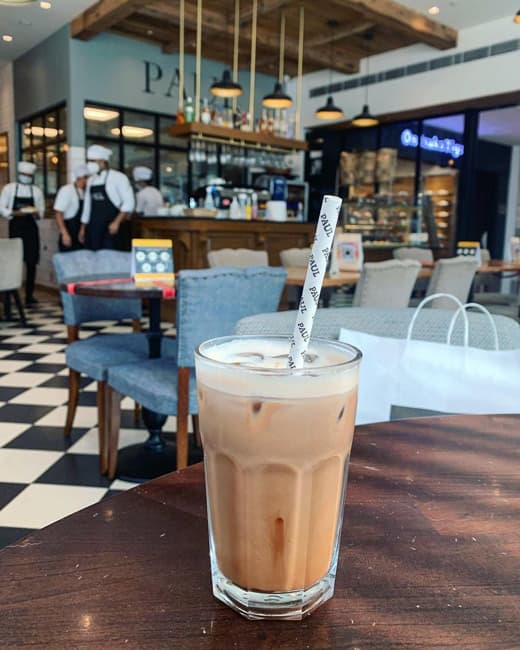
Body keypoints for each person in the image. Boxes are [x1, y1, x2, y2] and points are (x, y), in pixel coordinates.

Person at [0, 161, 45, 306]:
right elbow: (1, 208)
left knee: (31, 262)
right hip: (16, 228)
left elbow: (41, 212)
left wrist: (36, 213)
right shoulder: (9, 189)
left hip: (31, 230)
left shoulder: (36, 191)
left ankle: (29, 296)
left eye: (29, 175)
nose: (26, 177)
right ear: (20, 174)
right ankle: (8, 296)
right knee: (13, 262)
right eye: (24, 174)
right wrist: (14, 213)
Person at [79, 145, 134, 251]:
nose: (89, 164)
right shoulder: (91, 180)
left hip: (112, 228)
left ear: (103, 161)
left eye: (93, 161)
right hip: (94, 228)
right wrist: (83, 228)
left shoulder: (118, 177)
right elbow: (87, 206)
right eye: (88, 161)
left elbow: (129, 202)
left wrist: (117, 222)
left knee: (111, 257)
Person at [54, 163, 90, 252]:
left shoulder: (86, 192)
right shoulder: (67, 190)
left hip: (82, 234)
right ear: (82, 178)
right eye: (88, 178)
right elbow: (58, 213)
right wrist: (64, 234)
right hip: (69, 233)